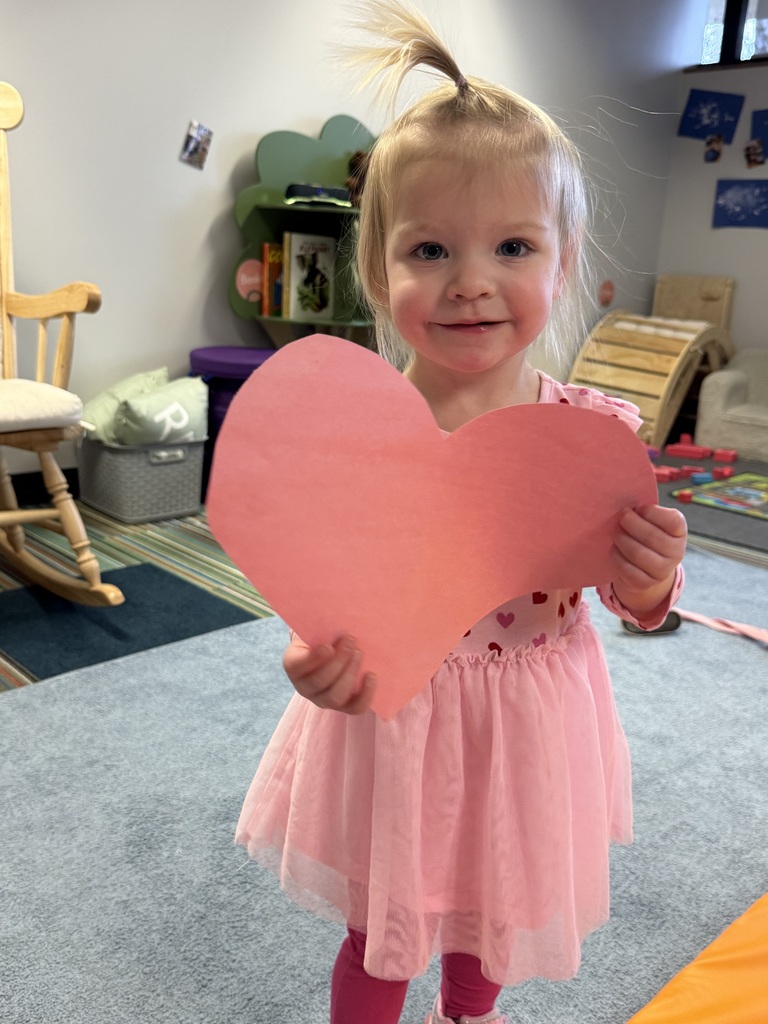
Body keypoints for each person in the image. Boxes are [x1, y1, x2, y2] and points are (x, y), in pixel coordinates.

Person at [235, 4, 687, 1022]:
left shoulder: (591, 432)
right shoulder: (355, 434)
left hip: (528, 721)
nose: (472, 282)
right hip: (396, 716)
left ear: (562, 264)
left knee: (493, 913)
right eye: (430, 249)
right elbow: (325, 588)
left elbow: (636, 603)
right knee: (383, 929)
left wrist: (651, 577)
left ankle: (468, 1015)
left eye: (514, 246)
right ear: (376, 270)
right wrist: (312, 655)